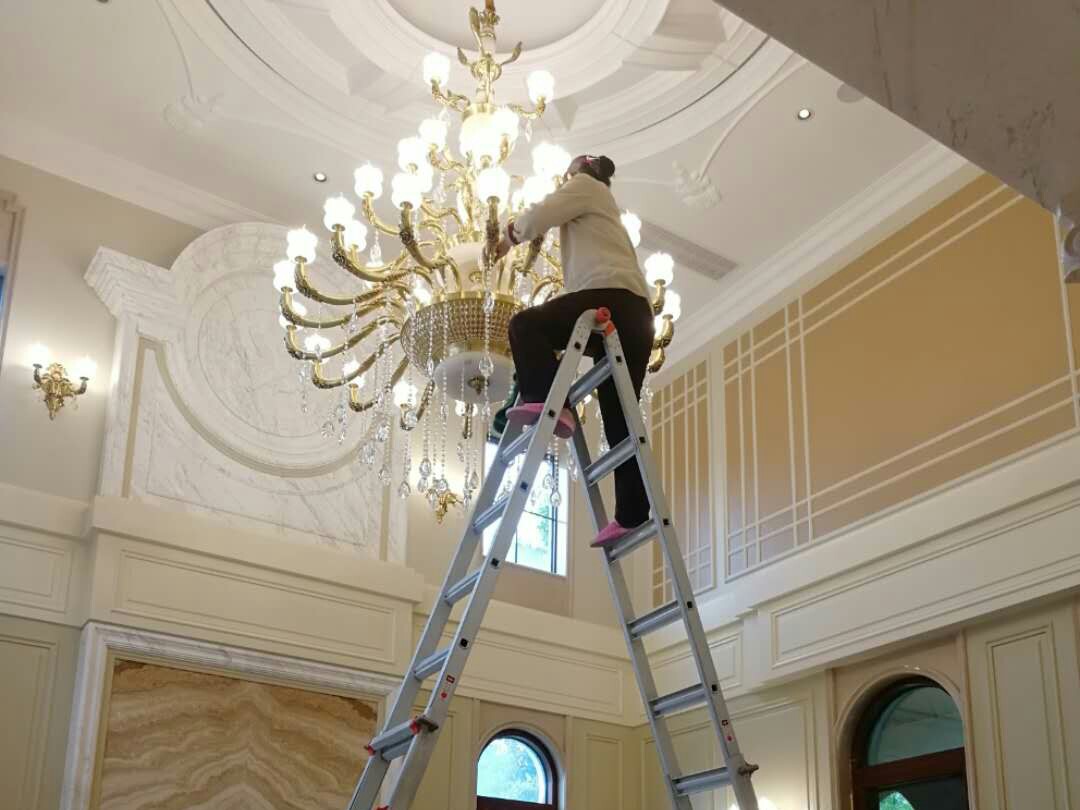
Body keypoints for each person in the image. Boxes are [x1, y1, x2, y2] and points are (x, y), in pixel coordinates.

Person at [493, 154, 654, 549]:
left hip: (610, 298)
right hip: (635, 316)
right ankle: (633, 511)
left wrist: (507, 237)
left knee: (525, 326)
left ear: (576, 173)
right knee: (619, 416)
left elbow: (541, 213)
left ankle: (551, 400)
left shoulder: (585, 186)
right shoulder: (603, 203)